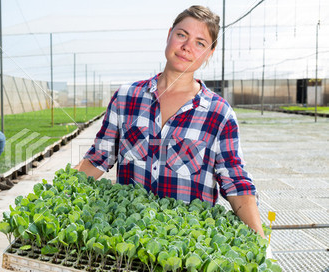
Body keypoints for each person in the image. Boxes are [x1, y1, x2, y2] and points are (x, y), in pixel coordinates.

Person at [75, 5, 265, 238]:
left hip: (185, 250)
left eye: (200, 43)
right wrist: (58, 192)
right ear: (169, 35)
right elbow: (97, 159)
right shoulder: (126, 97)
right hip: (125, 240)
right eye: (181, 35)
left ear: (210, 53)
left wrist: (260, 239)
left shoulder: (219, 114)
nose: (187, 47)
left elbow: (236, 184)